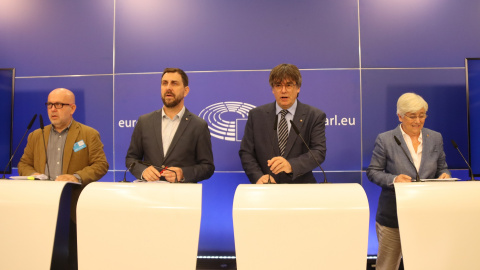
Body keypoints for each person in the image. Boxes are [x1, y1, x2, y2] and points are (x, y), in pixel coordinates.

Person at [18, 87, 109, 269]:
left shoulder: (88, 134)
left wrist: (76, 176)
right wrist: (32, 175)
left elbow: (101, 165)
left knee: (71, 260)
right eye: (50, 104)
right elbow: (23, 165)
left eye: (59, 104)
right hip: (40, 208)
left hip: (72, 208)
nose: (53, 109)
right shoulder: (36, 136)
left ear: (72, 108)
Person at [366, 92, 450, 270]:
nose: (418, 121)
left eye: (422, 115)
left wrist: (445, 175)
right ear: (400, 116)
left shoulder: (435, 138)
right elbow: (373, 172)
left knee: (425, 264)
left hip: (426, 214)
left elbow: (442, 167)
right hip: (392, 216)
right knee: (387, 266)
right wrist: (394, 179)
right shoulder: (386, 139)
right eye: (412, 116)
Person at [239, 63, 326, 184]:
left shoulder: (314, 115)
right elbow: (246, 152)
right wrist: (258, 177)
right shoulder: (256, 115)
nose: (283, 90)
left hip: (302, 189)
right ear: (273, 89)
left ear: (298, 88)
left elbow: (318, 151)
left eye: (289, 85)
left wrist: (291, 165)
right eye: (278, 85)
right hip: (267, 188)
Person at [125, 67, 215, 182]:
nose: (168, 88)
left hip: (182, 195)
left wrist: (183, 174)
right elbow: (131, 158)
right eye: (164, 83)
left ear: (186, 91)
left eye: (174, 83)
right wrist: (143, 171)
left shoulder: (198, 125)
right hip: (149, 194)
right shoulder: (144, 121)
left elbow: (207, 167)